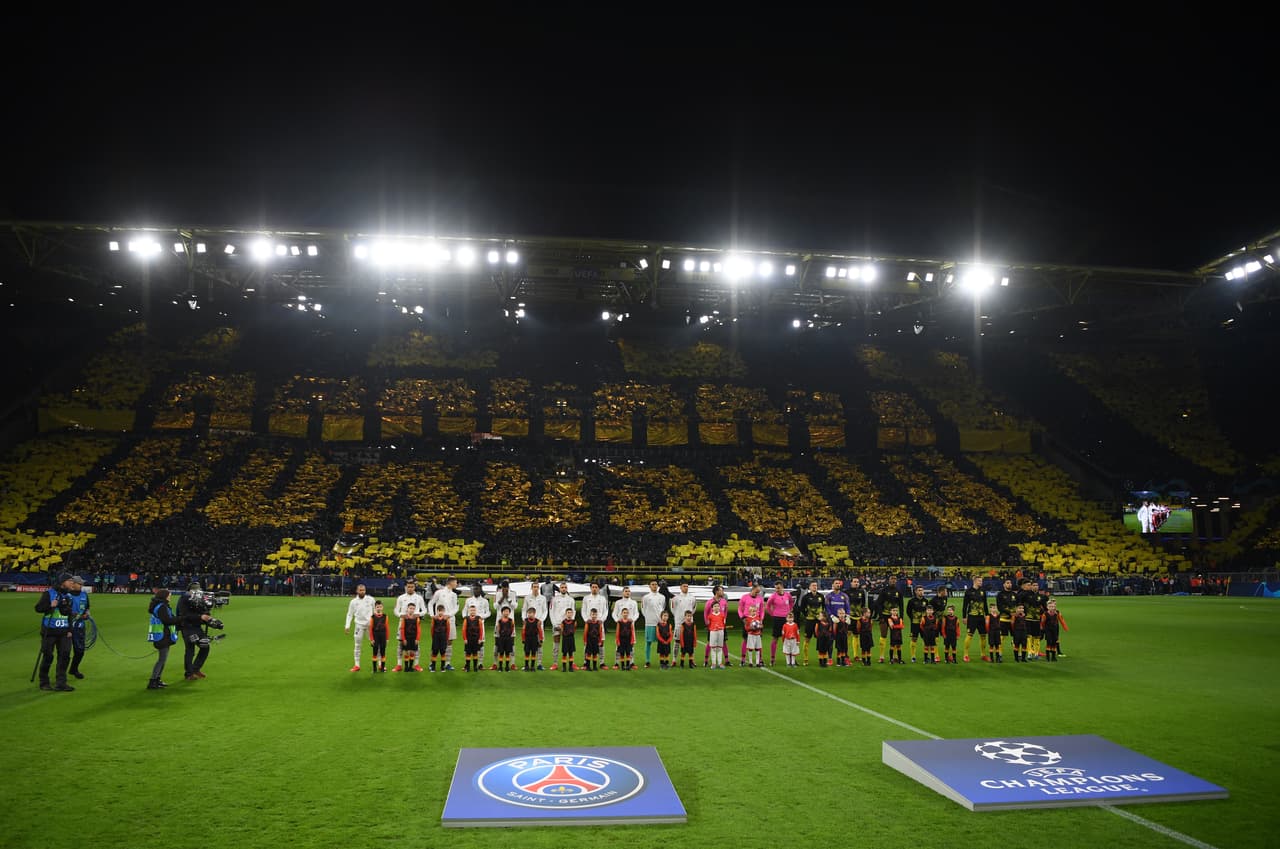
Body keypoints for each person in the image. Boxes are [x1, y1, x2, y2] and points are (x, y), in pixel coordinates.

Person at [176, 582, 218, 682]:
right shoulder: (183, 599)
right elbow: (184, 615)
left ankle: (195, 669)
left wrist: (208, 615)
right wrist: (200, 616)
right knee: (190, 650)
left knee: (205, 647)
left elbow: (204, 612)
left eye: (198, 590)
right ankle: (189, 674)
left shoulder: (199, 599)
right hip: (187, 627)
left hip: (196, 626)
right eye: (195, 590)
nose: (197, 592)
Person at [146, 587, 179, 689]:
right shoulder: (162, 607)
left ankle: (157, 679)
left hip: (161, 635)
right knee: (161, 660)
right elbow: (167, 620)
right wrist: (180, 619)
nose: (170, 597)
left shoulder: (160, 606)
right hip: (162, 636)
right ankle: (153, 681)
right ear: (165, 596)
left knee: (162, 659)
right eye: (169, 595)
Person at [392, 579, 428, 671]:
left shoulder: (419, 598)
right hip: (403, 622)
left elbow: (424, 610)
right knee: (401, 644)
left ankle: (416, 664)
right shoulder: (401, 598)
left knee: (416, 644)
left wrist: (418, 614)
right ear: (405, 587)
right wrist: (401, 615)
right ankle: (399, 665)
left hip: (415, 623)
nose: (410, 588)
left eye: (412, 587)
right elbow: (396, 610)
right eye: (408, 587)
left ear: (414, 587)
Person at [429, 576, 461, 671]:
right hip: (439, 621)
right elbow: (431, 603)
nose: (456, 584)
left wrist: (449, 615)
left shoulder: (454, 595)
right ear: (450, 583)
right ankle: (432, 663)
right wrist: (432, 615)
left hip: (450, 620)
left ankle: (447, 663)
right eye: (455, 582)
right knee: (436, 642)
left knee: (449, 641)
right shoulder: (439, 592)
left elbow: (456, 608)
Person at [344, 583, 376, 672]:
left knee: (375, 644)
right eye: (360, 590)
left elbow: (375, 611)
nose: (362, 592)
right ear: (357, 591)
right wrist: (347, 626)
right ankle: (357, 665)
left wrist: (376, 623)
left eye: (363, 590)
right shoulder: (353, 602)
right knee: (357, 645)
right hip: (359, 625)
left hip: (370, 625)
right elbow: (349, 614)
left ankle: (380, 664)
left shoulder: (371, 599)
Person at [66, 575, 91, 680]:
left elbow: (87, 608)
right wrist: (73, 614)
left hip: (80, 626)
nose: (81, 585)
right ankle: (61, 674)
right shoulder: (66, 595)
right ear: (73, 584)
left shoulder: (84, 595)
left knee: (80, 650)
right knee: (65, 652)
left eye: (82, 584)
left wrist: (87, 614)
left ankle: (74, 669)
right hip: (67, 627)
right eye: (79, 583)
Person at [764, 581, 794, 666]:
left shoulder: (787, 595)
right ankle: (772, 658)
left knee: (789, 639)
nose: (777, 589)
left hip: (787, 619)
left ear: (782, 587)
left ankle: (791, 658)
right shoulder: (773, 596)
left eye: (778, 588)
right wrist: (773, 614)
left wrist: (789, 610)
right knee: (775, 638)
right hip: (777, 619)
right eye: (776, 588)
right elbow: (768, 606)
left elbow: (791, 602)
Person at [736, 582, 766, 668]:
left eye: (759, 592)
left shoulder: (760, 598)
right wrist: (743, 618)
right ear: (752, 589)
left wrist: (761, 620)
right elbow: (740, 609)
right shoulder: (744, 597)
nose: (758, 593)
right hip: (747, 621)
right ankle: (743, 659)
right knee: (746, 640)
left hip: (757, 621)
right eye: (756, 591)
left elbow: (762, 610)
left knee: (758, 641)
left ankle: (760, 660)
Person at [875, 579, 904, 663]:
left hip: (895, 617)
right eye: (891, 579)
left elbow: (901, 605)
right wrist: (881, 616)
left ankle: (895, 656)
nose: (893, 581)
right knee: (883, 635)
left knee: (895, 636)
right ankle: (881, 656)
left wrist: (901, 617)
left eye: (895, 580)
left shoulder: (898, 591)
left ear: (896, 581)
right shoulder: (884, 590)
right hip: (884, 616)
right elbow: (878, 603)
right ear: (889, 581)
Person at [549, 581, 577, 671]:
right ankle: (555, 663)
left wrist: (571, 623)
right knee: (556, 644)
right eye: (562, 587)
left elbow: (574, 612)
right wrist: (554, 624)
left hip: (568, 625)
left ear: (567, 588)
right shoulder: (554, 599)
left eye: (565, 587)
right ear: (559, 589)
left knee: (570, 645)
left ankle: (572, 663)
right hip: (557, 624)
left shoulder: (571, 599)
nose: (564, 589)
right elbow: (551, 612)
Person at [702, 584, 731, 667]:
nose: (723, 592)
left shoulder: (724, 601)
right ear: (716, 591)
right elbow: (705, 613)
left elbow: (725, 611)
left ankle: (727, 660)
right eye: (721, 590)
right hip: (712, 627)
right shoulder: (709, 602)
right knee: (710, 643)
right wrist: (707, 623)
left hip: (721, 626)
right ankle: (706, 661)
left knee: (723, 642)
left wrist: (724, 620)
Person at [641, 580, 668, 668]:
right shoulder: (645, 597)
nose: (654, 586)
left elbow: (662, 608)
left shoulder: (662, 597)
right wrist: (648, 618)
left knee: (662, 643)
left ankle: (663, 661)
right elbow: (643, 609)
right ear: (649, 586)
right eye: (652, 584)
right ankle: (647, 661)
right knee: (648, 642)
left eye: (656, 584)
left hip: (660, 623)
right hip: (650, 623)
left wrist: (661, 620)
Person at [524, 581, 550, 670]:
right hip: (529, 624)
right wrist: (524, 620)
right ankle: (527, 664)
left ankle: (539, 664)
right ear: (531, 588)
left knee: (540, 644)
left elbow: (545, 610)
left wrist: (541, 620)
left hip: (539, 624)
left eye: (537, 587)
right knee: (528, 645)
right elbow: (524, 610)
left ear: (539, 588)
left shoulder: (543, 598)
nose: (535, 588)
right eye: (534, 587)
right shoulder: (527, 598)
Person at [797, 580, 824, 666]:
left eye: (815, 585)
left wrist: (821, 616)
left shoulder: (821, 596)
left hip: (819, 621)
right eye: (813, 585)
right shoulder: (806, 597)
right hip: (809, 621)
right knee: (807, 639)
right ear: (809, 587)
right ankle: (805, 659)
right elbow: (802, 608)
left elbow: (823, 607)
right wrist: (806, 615)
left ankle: (821, 658)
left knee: (820, 639)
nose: (814, 587)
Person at [611, 586, 639, 668]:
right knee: (618, 644)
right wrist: (617, 620)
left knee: (631, 644)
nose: (627, 592)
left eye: (628, 591)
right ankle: (616, 663)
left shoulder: (634, 602)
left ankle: (631, 662)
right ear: (622, 593)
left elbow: (636, 613)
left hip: (630, 626)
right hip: (621, 626)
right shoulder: (618, 602)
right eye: (626, 591)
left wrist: (632, 620)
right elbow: (614, 613)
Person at [961, 577, 988, 662]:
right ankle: (965, 655)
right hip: (972, 617)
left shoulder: (983, 591)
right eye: (979, 581)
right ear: (975, 581)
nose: (981, 582)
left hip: (981, 617)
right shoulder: (968, 591)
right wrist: (964, 617)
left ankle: (983, 655)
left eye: (981, 581)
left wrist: (987, 615)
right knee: (969, 635)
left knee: (983, 636)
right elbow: (965, 605)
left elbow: (985, 604)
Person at [467, 584, 491, 668]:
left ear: (480, 590)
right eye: (474, 589)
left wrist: (481, 617)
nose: (475, 590)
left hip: (480, 625)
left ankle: (480, 663)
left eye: (477, 589)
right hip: (470, 625)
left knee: (481, 643)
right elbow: (464, 611)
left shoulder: (485, 601)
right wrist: (466, 618)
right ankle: (467, 663)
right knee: (468, 643)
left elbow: (488, 612)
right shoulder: (469, 600)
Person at [905, 585, 930, 664]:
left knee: (925, 639)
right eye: (919, 590)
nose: (921, 592)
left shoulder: (926, 601)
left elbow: (928, 611)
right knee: (914, 639)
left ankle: (926, 656)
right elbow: (908, 611)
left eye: (922, 590)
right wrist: (913, 618)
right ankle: (913, 656)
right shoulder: (911, 601)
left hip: (924, 624)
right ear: (915, 591)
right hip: (915, 623)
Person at [461, 604, 485, 672]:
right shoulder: (466, 619)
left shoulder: (479, 619)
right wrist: (465, 638)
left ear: (476, 611)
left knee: (475, 653)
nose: (472, 612)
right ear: (469, 611)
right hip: (468, 639)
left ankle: (475, 667)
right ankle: (467, 667)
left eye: (474, 610)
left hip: (476, 639)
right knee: (468, 653)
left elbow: (481, 630)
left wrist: (480, 638)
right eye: (471, 610)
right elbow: (463, 629)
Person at [705, 596, 727, 669]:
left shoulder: (722, 615)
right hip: (713, 632)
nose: (716, 607)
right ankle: (714, 663)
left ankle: (720, 663)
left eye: (718, 606)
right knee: (713, 648)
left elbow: (724, 623)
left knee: (720, 648)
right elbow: (709, 625)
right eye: (715, 606)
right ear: (712, 608)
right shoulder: (710, 616)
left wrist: (720, 627)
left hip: (721, 632)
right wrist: (713, 628)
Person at [400, 603, 422, 672]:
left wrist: (417, 639)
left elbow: (418, 629)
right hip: (406, 638)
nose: (411, 610)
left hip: (414, 638)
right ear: (407, 609)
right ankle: (406, 667)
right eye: (410, 608)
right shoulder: (404, 618)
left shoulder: (417, 618)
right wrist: (403, 639)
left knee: (412, 652)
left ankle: (410, 667)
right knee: (406, 652)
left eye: (413, 609)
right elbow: (402, 629)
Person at [368, 601, 390, 672]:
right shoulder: (372, 617)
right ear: (375, 608)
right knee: (375, 652)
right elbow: (370, 629)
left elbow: (387, 628)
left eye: (380, 607)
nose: (379, 608)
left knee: (383, 652)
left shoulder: (385, 616)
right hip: (375, 636)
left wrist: (387, 638)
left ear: (382, 607)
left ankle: (382, 668)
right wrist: (371, 639)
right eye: (377, 607)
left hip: (383, 636)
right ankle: (374, 669)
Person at [428, 604, 451, 671]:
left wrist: (446, 637)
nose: (440, 612)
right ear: (437, 611)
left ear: (444, 611)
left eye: (442, 611)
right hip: (436, 637)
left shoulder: (446, 619)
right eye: (439, 611)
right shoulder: (434, 619)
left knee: (443, 652)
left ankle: (442, 667)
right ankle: (433, 667)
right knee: (435, 651)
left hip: (443, 637)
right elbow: (432, 628)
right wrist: (433, 637)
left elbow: (448, 629)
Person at [996, 578, 1018, 644]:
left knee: (1016, 636)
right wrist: (1010, 613)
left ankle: (1016, 649)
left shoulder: (1014, 594)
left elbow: (1018, 605)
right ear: (1004, 585)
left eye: (1010, 583)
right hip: (1003, 619)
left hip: (1013, 619)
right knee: (1002, 637)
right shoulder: (1000, 594)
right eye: (1007, 583)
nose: (1009, 584)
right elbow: (999, 607)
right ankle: (999, 650)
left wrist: (1016, 613)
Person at [494, 605, 516, 672]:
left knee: (507, 653)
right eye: (504, 611)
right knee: (501, 653)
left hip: (508, 639)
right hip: (501, 639)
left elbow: (512, 628)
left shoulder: (511, 620)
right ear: (502, 612)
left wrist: (509, 635)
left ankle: (507, 667)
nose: (506, 613)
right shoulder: (499, 621)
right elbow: (498, 629)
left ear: (509, 613)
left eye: (507, 611)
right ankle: (500, 667)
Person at [521, 607, 543, 671]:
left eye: (531, 613)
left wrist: (541, 639)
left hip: (534, 638)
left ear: (534, 613)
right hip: (527, 638)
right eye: (528, 613)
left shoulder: (538, 621)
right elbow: (523, 630)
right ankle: (526, 666)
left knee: (533, 653)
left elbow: (540, 631)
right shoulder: (525, 621)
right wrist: (523, 639)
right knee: (527, 652)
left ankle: (532, 666)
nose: (529, 614)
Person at [558, 608, 578, 672]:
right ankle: (564, 667)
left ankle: (570, 667)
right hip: (565, 639)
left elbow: (574, 630)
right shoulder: (563, 622)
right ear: (566, 614)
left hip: (571, 639)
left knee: (571, 653)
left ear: (572, 614)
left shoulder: (574, 622)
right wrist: (565, 633)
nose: (569, 614)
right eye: (568, 613)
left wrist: (570, 632)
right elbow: (562, 631)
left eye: (571, 613)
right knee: (564, 653)